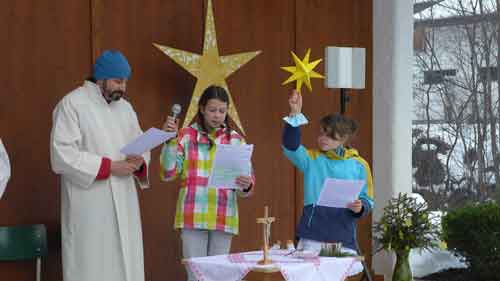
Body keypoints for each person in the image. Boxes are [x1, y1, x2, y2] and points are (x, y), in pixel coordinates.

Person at [50, 50, 149, 281]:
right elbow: (62, 155)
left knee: (127, 264)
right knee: (93, 266)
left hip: (125, 200)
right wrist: (110, 167)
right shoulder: (72, 104)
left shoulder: (125, 108)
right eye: (117, 81)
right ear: (100, 78)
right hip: (91, 205)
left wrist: (139, 160)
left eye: (125, 82)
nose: (122, 88)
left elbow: (139, 143)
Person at [160, 85, 255, 281]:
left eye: (222, 110)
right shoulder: (186, 135)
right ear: (202, 109)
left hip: (223, 215)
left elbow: (247, 185)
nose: (217, 115)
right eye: (212, 110)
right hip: (193, 214)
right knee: (197, 276)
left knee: (221, 276)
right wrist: (169, 141)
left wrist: (246, 184)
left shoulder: (236, 140)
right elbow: (168, 173)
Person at [281, 90, 374, 275]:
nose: (323, 138)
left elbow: (367, 199)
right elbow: (290, 146)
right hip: (312, 236)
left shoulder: (359, 165)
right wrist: (294, 115)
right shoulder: (311, 159)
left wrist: (360, 207)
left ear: (344, 139)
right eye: (322, 133)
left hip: (342, 237)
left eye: (331, 136)